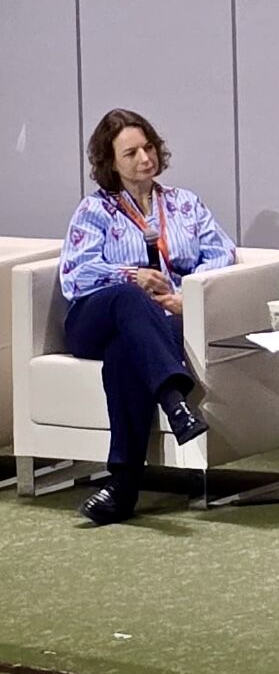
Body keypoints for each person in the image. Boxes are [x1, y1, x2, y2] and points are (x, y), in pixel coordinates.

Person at [59, 109, 236, 525]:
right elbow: (75, 274)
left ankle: (123, 487)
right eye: (131, 153)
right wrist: (131, 275)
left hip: (154, 323)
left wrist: (187, 295)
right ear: (110, 162)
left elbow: (221, 253)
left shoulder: (184, 203)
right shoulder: (95, 210)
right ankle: (175, 401)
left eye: (149, 147)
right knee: (128, 297)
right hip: (92, 318)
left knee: (125, 351)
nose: (145, 158)